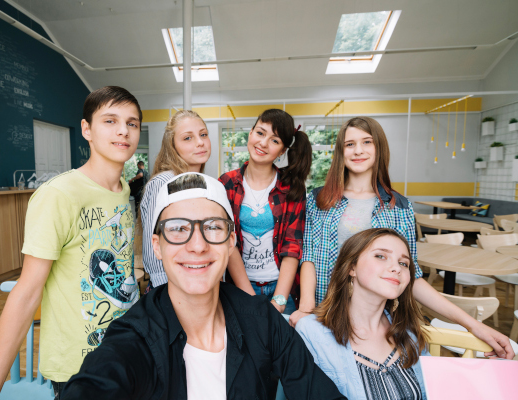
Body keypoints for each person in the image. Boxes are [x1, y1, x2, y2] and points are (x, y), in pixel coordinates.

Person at [61, 173, 346, 400]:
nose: (197, 246)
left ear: (231, 241)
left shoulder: (263, 321)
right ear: (157, 246)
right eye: (178, 229)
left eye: (213, 227)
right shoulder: (134, 337)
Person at [289, 116, 514, 360]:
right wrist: (307, 310)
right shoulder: (319, 200)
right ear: (341, 152)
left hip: (377, 321)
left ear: (379, 148)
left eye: (367, 142)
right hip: (326, 315)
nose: (358, 150)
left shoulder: (399, 207)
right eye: (349, 144)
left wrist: (473, 324)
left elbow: (411, 276)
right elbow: (309, 257)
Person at [0, 86, 142, 400]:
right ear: (86, 130)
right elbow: (26, 294)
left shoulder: (123, 191)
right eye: (110, 121)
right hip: (79, 369)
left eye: (131, 123)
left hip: (126, 355)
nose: (123, 130)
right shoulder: (58, 195)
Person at [296, 228, 429, 400]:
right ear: (352, 267)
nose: (397, 268)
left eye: (404, 263)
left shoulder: (409, 333)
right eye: (380, 256)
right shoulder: (311, 332)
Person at [141, 110, 253, 294]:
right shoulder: (163, 183)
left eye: (203, 134)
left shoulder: (208, 184)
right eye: (188, 138)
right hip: (172, 294)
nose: (200, 142)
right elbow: (154, 256)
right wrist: (167, 301)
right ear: (172, 145)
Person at [219, 109, 312, 314]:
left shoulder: (292, 189)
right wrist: (249, 298)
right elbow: (228, 242)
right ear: (250, 133)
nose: (263, 143)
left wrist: (279, 300)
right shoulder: (226, 184)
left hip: (283, 288)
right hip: (240, 288)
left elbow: (292, 245)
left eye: (274, 140)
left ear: (282, 150)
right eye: (260, 133)